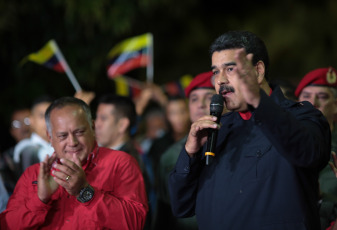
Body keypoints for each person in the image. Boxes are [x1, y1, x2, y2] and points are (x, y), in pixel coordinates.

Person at [168, 30, 331, 230]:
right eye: (216, 72)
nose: (220, 81)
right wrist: (190, 154)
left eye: (229, 69)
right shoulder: (216, 129)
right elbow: (181, 206)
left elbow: (308, 153)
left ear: (258, 70)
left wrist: (259, 102)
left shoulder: (302, 116)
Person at [0, 97, 148, 229]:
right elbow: (8, 225)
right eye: (62, 136)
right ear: (50, 137)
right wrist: (40, 199)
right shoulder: (34, 174)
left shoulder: (120, 163)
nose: (72, 142)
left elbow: (135, 223)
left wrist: (85, 191)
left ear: (92, 127)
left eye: (79, 132)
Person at [153, 71, 216, 230]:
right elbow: (165, 209)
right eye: (194, 99)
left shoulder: (238, 144)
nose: (200, 104)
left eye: (209, 97)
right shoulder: (170, 155)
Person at [295, 67, 337, 229]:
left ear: (335, 106)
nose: (313, 103)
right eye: (306, 96)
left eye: (322, 97)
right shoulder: (283, 143)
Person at [13, 96, 54, 174]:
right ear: (31, 120)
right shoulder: (25, 147)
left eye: (51, 115)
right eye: (42, 116)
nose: (48, 121)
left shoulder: (61, 143)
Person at [0, 107, 31, 194]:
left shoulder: (48, 149)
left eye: (27, 121)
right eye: (17, 124)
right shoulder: (5, 159)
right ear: (11, 131)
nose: (24, 127)